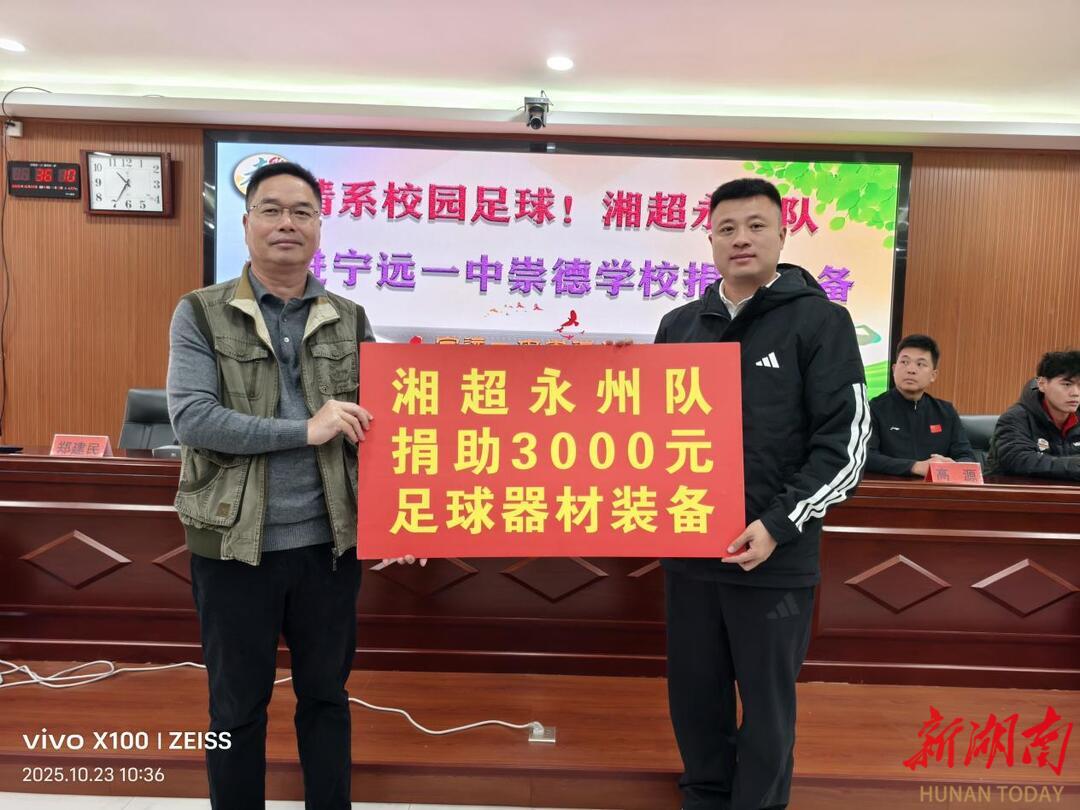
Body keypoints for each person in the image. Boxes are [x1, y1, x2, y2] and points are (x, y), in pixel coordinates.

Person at [654, 178, 869, 810]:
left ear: (782, 234)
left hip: (773, 556)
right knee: (695, 695)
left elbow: (846, 445)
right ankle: (704, 797)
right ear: (710, 240)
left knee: (767, 704)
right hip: (690, 551)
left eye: (755, 226)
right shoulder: (679, 325)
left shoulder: (821, 321)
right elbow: (651, 431)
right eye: (726, 228)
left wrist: (778, 524)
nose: (741, 239)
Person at [167, 161, 375, 809]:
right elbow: (193, 419)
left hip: (328, 548)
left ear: (319, 227)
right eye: (272, 209)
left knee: (326, 699)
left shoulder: (350, 318)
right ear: (246, 222)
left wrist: (404, 516)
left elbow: (379, 430)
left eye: (302, 211)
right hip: (234, 547)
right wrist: (304, 430)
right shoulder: (200, 313)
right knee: (234, 708)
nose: (288, 223)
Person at [866, 333, 976, 476]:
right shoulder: (873, 409)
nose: (911, 370)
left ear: (933, 375)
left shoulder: (946, 412)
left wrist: (953, 465)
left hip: (936, 488)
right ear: (893, 369)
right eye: (904, 362)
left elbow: (967, 457)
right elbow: (867, 457)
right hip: (889, 487)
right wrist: (915, 466)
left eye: (920, 364)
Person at [986, 350, 1080, 481]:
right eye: (1067, 384)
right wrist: (1074, 465)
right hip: (1018, 492)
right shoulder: (1015, 418)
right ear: (1042, 384)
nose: (1075, 393)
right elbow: (1018, 460)